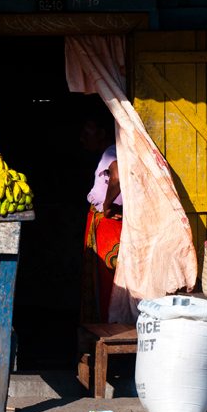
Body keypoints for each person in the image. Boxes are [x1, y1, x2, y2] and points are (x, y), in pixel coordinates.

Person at [80, 106, 123, 324]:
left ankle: (108, 327)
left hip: (109, 228)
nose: (82, 138)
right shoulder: (112, 152)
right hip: (109, 228)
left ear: (102, 133)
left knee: (108, 282)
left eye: (88, 132)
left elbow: (117, 174)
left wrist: (106, 205)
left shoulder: (110, 152)